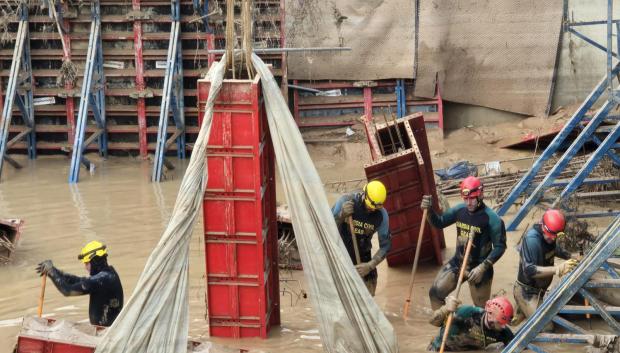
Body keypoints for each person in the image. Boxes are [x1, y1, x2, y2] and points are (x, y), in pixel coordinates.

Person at [421, 176, 507, 309]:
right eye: (466, 199)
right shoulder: (459, 210)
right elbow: (439, 222)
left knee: (481, 310)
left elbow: (500, 247)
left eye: (472, 198)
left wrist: (482, 267)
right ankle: (447, 325)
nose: (468, 203)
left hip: (480, 269)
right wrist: (429, 211)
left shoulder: (492, 219)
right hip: (458, 263)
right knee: (434, 294)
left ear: (481, 195)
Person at [36, 240, 124, 327]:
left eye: (86, 263)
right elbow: (79, 281)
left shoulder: (102, 280)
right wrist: (55, 271)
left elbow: (67, 290)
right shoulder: (109, 274)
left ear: (95, 261)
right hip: (107, 329)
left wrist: (52, 272)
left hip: (105, 333)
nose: (85, 267)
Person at [514, 209, 577, 322]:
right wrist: (557, 269)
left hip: (541, 290)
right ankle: (522, 306)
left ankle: (525, 310)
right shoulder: (532, 240)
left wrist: (571, 256)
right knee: (546, 326)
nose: (553, 238)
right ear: (543, 226)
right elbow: (529, 270)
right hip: (527, 291)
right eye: (551, 235)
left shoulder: (550, 235)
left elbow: (553, 248)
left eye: (556, 235)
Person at [332, 180, 391, 296]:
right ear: (365, 195)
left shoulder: (382, 215)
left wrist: (370, 265)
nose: (373, 210)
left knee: (367, 301)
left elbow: (386, 245)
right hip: (341, 258)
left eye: (376, 208)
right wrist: (340, 216)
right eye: (371, 207)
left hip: (364, 262)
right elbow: (325, 228)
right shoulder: (345, 201)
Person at [428, 296, 514, 351]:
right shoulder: (466, 313)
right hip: (441, 348)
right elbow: (432, 321)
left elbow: (516, 345)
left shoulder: (503, 332)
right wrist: (445, 309)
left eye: (505, 323)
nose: (503, 326)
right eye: (500, 323)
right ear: (490, 316)